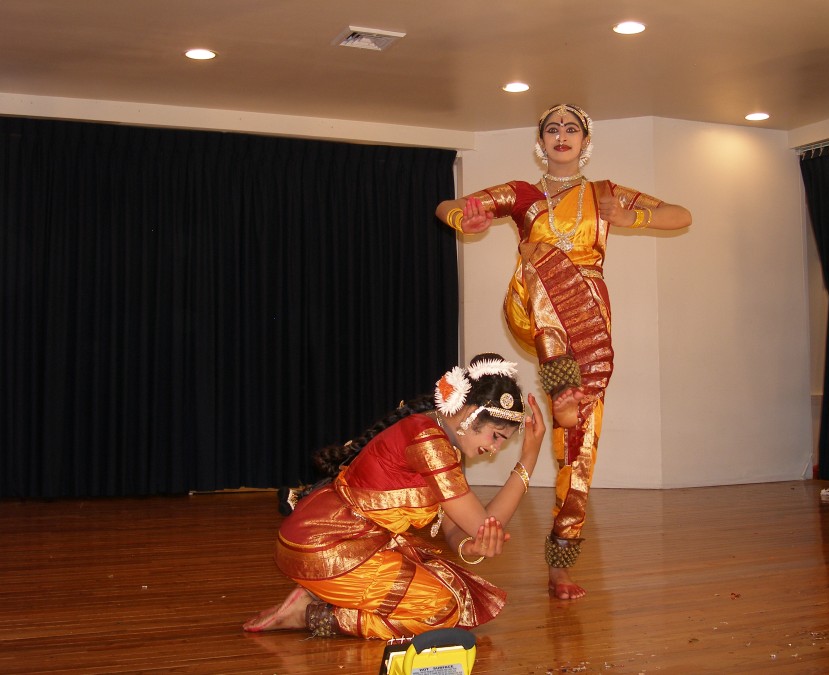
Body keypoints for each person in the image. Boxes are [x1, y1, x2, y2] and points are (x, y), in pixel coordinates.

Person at [435, 104, 692, 601]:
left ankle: (560, 564)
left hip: (589, 318)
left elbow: (681, 214)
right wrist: (465, 219)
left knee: (581, 445)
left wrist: (632, 215)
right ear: (541, 142)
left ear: (585, 141)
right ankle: (560, 384)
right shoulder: (522, 194)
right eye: (552, 129)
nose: (561, 135)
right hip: (532, 304)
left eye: (571, 129)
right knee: (540, 258)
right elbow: (447, 205)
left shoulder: (604, 193)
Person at [243, 354, 545, 639]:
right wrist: (529, 459)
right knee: (443, 609)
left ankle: (322, 592)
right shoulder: (429, 440)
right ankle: (311, 615)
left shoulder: (436, 439)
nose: (494, 449)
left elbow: (457, 529)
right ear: (470, 413)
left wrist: (471, 546)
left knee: (459, 591)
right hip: (328, 546)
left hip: (338, 541)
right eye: (496, 436)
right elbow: (483, 523)